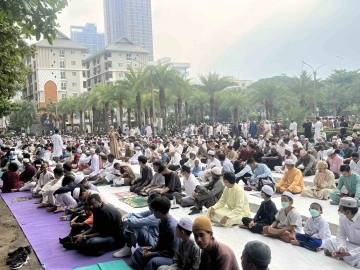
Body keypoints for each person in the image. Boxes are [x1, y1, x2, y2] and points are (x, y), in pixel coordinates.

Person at [132, 197, 179, 270]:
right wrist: (151, 249)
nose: (152, 213)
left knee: (153, 261)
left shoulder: (172, 227)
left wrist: (152, 254)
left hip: (173, 258)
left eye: (153, 211)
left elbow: (173, 253)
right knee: (139, 251)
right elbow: (160, 243)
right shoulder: (161, 222)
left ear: (158, 212)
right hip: (162, 252)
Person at [113, 193, 161, 258]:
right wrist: (126, 215)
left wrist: (125, 220)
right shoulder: (151, 211)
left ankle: (128, 248)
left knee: (134, 226)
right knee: (131, 222)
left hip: (155, 241)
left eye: (149, 203)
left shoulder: (156, 216)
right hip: (150, 234)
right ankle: (127, 245)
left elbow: (137, 222)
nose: (148, 205)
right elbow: (138, 214)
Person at [320, 197, 360, 267]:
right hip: (351, 245)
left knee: (355, 255)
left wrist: (349, 253)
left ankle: (343, 256)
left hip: (357, 250)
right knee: (330, 241)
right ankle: (343, 256)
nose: (338, 211)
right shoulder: (343, 218)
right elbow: (341, 235)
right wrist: (341, 248)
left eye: (340, 209)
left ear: (347, 212)